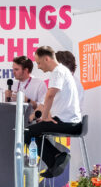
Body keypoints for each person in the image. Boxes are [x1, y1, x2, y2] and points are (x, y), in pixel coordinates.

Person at [25, 45, 84, 178]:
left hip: (67, 122)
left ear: (47, 59)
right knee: (33, 132)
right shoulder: (63, 71)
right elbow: (56, 100)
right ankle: (56, 159)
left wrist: (45, 117)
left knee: (27, 133)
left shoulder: (58, 71)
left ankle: (58, 158)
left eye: (39, 63)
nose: (38, 67)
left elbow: (50, 95)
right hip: (69, 120)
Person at [5, 55, 46, 122]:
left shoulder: (39, 84)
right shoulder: (13, 84)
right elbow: (8, 108)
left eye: (16, 69)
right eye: (13, 69)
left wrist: (27, 100)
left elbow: (43, 108)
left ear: (26, 70)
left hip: (31, 122)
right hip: (13, 121)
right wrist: (7, 99)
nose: (13, 72)